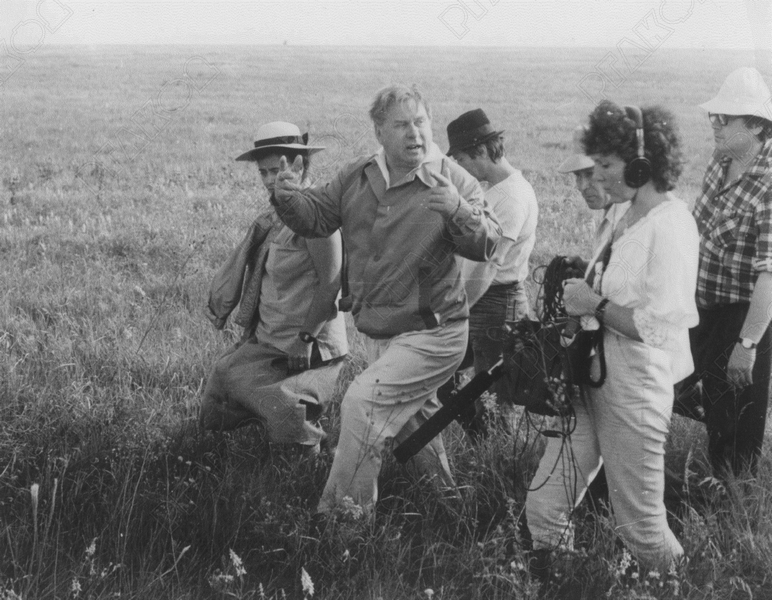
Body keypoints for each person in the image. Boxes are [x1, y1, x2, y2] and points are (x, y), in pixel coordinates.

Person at [272, 84, 501, 518]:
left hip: (435, 334)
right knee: (416, 424)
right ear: (379, 132)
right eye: (401, 125)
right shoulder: (358, 176)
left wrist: (458, 210)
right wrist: (287, 198)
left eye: (421, 122)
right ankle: (452, 512)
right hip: (380, 331)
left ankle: (344, 519)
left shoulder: (453, 179)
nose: (415, 133)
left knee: (363, 404)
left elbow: (489, 244)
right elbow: (316, 217)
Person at [525, 101, 699, 574]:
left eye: (605, 164)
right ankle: (557, 581)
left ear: (641, 164)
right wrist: (586, 287)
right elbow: (618, 286)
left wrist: (593, 303)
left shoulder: (671, 225)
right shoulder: (625, 213)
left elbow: (661, 328)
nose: (597, 175)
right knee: (545, 502)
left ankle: (679, 585)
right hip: (591, 375)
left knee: (640, 526)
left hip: (634, 386)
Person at [201, 121, 348, 456]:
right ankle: (234, 450)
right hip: (273, 335)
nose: (269, 180)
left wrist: (304, 340)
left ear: (300, 165)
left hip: (308, 343)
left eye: (277, 170)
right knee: (224, 377)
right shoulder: (278, 215)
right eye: (263, 172)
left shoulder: (315, 217)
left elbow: (331, 283)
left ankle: (309, 464)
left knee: (284, 404)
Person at [687, 67, 772, 477]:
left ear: (755, 125)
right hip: (699, 306)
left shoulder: (769, 183)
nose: (715, 124)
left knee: (735, 429)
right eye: (713, 116)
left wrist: (748, 343)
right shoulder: (720, 161)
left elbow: (770, 275)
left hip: (741, 317)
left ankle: (733, 497)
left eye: (725, 117)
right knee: (673, 384)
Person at [443, 108, 538, 437]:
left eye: (460, 159)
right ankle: (480, 441)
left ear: (481, 151)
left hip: (496, 304)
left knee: (495, 398)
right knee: (446, 377)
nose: (459, 168)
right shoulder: (494, 190)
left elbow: (489, 265)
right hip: (479, 299)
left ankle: (493, 453)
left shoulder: (511, 197)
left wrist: (457, 309)